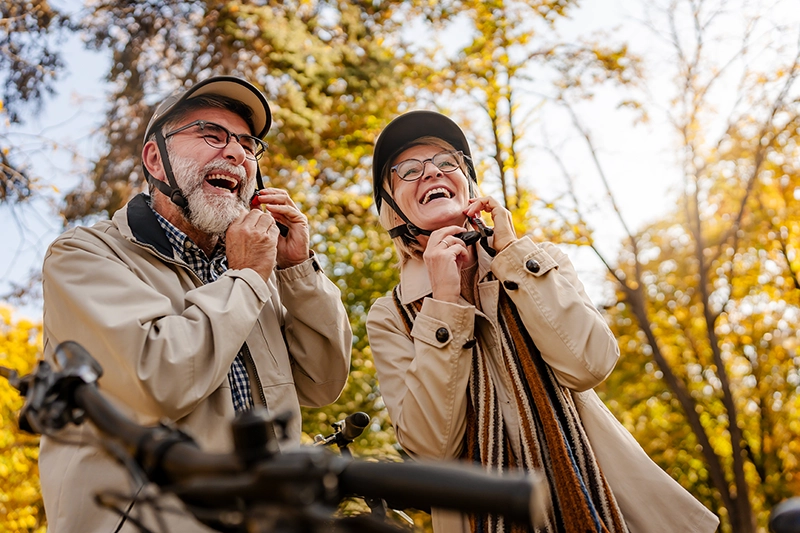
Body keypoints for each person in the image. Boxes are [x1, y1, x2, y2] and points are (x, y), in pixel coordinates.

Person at [366, 110, 720, 533]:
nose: (431, 173)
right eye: (408, 170)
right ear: (391, 204)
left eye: (447, 163)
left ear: (468, 183)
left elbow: (590, 363)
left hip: (605, 508)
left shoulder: (537, 261)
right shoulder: (390, 314)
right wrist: (443, 303)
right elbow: (431, 446)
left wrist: (514, 255)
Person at [39, 76, 352, 532]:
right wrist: (247, 278)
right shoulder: (83, 254)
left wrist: (295, 271)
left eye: (248, 145)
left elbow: (324, 383)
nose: (236, 154)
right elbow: (156, 380)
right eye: (211, 135)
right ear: (156, 160)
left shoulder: (254, 271)